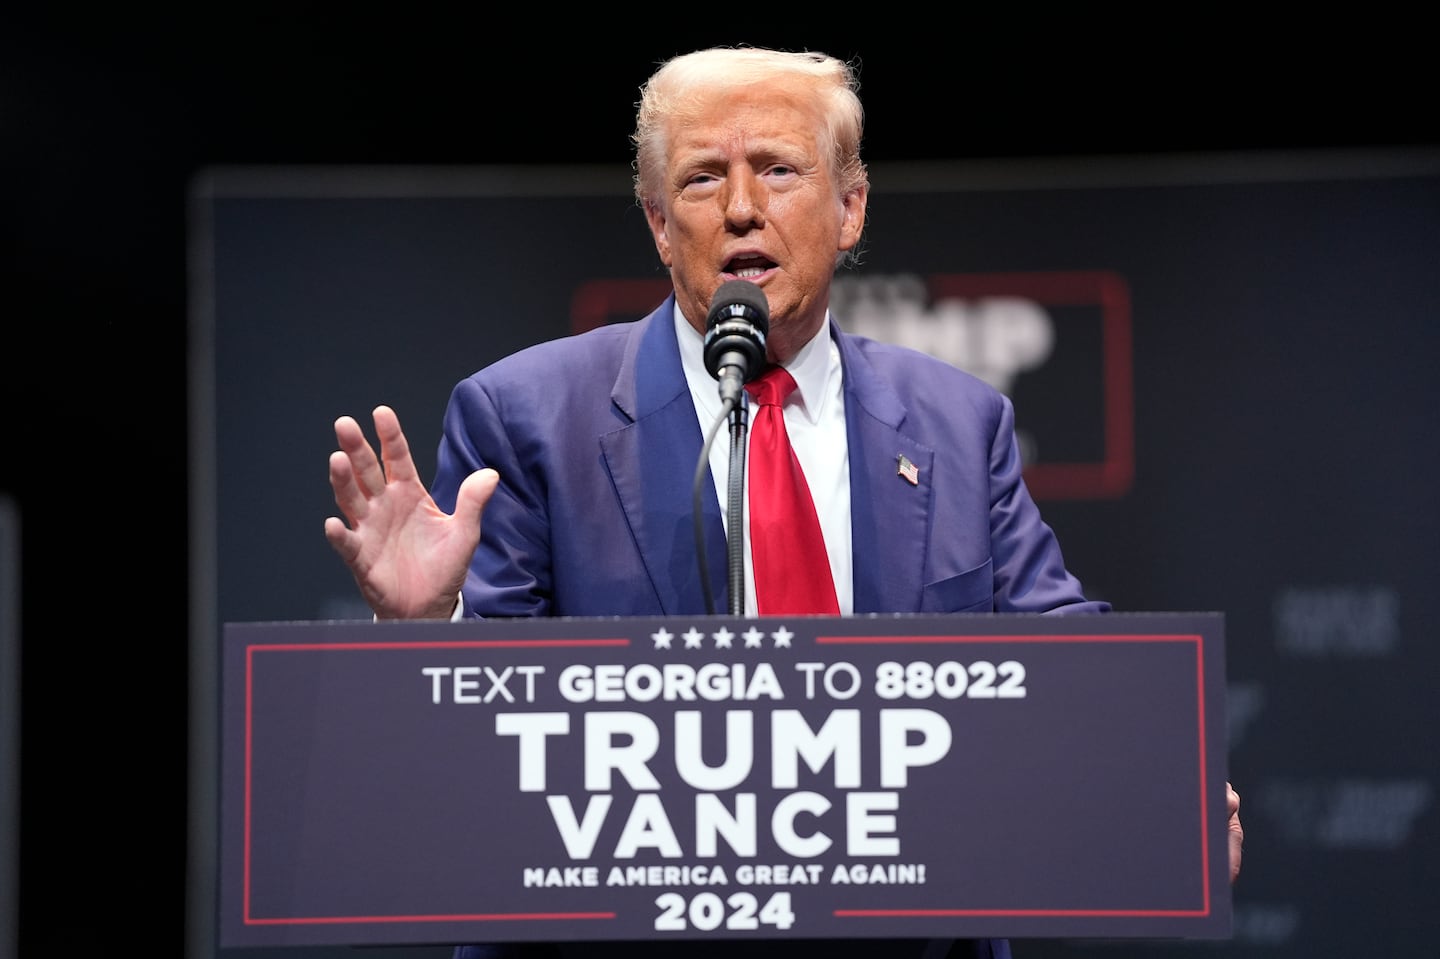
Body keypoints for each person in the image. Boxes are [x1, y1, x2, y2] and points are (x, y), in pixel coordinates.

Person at [325, 44, 1242, 959]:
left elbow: (1058, 652)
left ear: (850, 208)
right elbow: (487, 768)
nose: (739, 208)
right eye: (699, 180)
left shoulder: (960, 424)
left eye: (777, 169)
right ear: (656, 223)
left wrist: (1160, 769)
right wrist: (426, 630)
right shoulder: (527, 416)